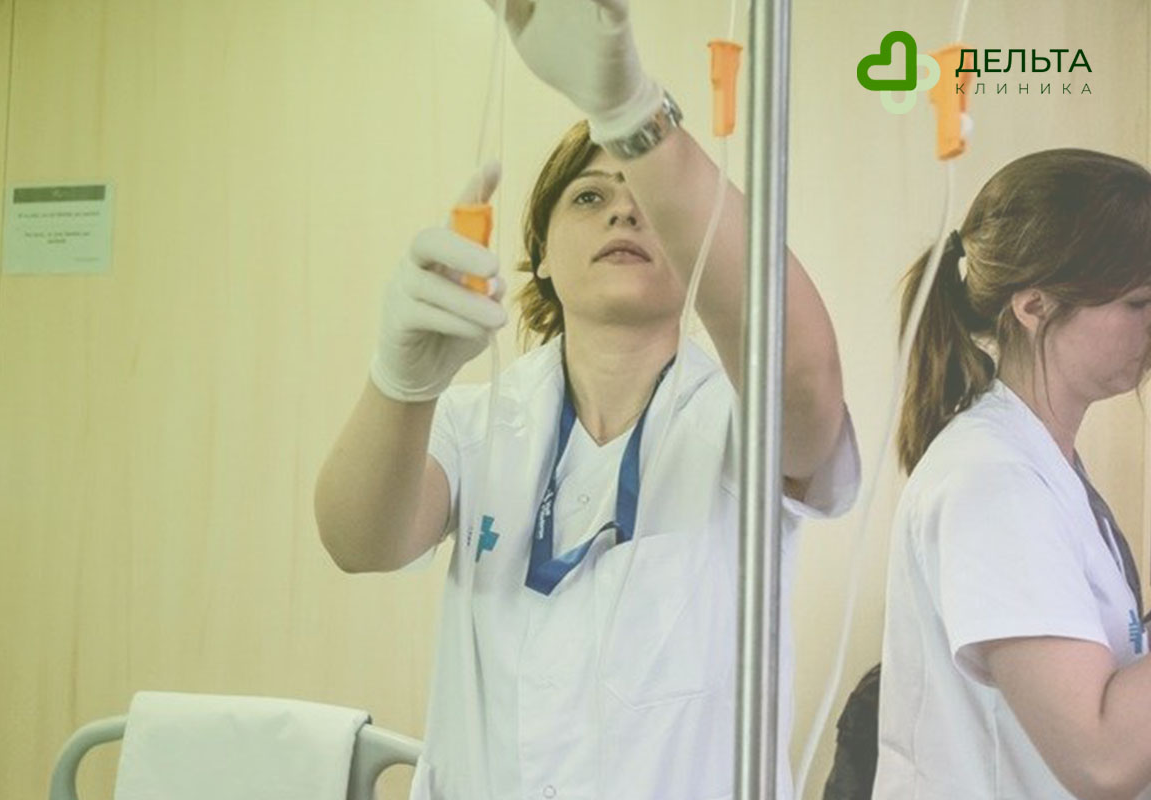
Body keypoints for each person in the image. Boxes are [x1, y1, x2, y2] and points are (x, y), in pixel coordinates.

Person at [315, 2, 859, 797]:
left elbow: (805, 387)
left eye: (644, 199)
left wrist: (633, 112)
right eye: (588, 198)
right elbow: (360, 542)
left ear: (694, 248)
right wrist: (400, 385)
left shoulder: (734, 422)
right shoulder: (475, 422)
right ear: (541, 252)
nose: (624, 209)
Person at [873, 148, 1151, 799]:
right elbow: (1102, 760)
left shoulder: (1040, 465)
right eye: (1139, 302)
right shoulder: (991, 481)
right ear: (1033, 306)